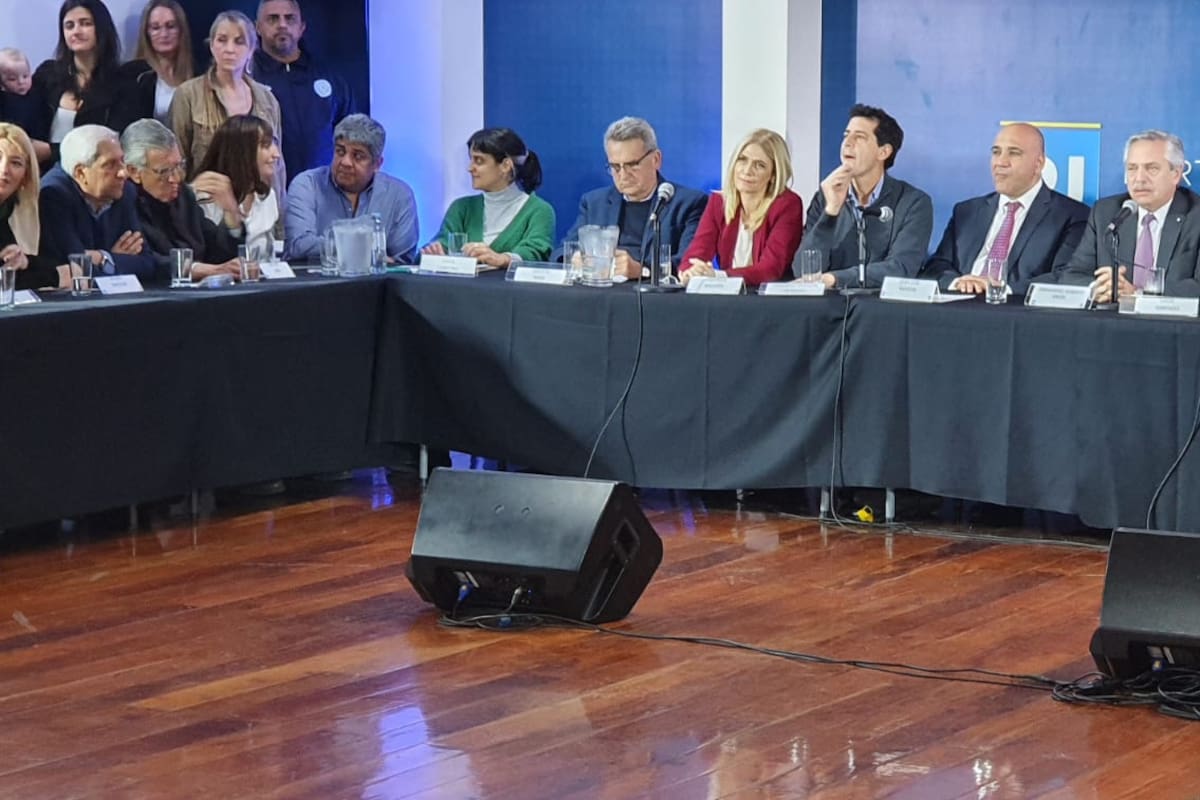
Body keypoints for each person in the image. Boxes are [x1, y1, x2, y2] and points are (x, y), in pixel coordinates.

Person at [922, 123, 1089, 297]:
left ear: (1038, 164)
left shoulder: (1072, 216)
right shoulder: (966, 211)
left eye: (1014, 153)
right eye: (996, 152)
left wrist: (999, 289)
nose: (1000, 162)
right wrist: (959, 282)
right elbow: (936, 266)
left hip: (1018, 314)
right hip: (958, 306)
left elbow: (1066, 276)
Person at [795, 104, 932, 289]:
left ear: (883, 152)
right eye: (846, 135)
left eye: (859, 137)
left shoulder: (913, 203)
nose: (847, 143)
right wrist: (831, 212)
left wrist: (834, 279)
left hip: (884, 312)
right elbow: (803, 270)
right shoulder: (825, 197)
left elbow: (901, 268)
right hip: (827, 310)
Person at [555, 116, 706, 279]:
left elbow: (690, 264)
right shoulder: (594, 203)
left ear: (656, 159)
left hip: (656, 300)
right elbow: (560, 254)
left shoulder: (688, 203)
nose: (623, 175)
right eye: (615, 167)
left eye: (632, 165)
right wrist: (574, 259)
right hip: (601, 295)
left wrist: (642, 270)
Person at [1059, 130, 1200, 301]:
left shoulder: (1195, 216)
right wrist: (1100, 287)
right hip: (1112, 324)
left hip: (1174, 325)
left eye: (1152, 168)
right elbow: (1072, 275)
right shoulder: (1107, 213)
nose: (1139, 178)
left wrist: (1138, 293)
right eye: (1132, 168)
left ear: (1176, 174)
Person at [169, 11, 284, 197]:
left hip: (259, 208)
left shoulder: (267, 100)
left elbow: (277, 167)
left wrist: (279, 219)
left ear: (251, 49)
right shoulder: (188, 94)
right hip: (207, 208)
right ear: (212, 45)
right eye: (222, 40)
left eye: (239, 41)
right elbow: (176, 160)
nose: (229, 49)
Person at [679, 128, 804, 287]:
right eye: (742, 159)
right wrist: (690, 272)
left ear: (774, 175)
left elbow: (771, 269)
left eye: (759, 165)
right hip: (730, 297)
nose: (747, 170)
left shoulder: (787, 205)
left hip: (769, 300)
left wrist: (719, 276)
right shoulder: (719, 202)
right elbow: (697, 252)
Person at [285, 113, 417, 263]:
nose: (346, 162)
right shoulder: (307, 185)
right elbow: (299, 246)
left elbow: (401, 262)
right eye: (340, 151)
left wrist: (333, 247)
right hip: (316, 283)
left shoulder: (399, 195)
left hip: (376, 285)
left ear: (377, 164)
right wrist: (365, 250)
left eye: (358, 156)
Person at [122, 118, 240, 281]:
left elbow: (217, 252)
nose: (176, 178)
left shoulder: (183, 194)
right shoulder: (122, 202)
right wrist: (197, 269)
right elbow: (145, 261)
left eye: (179, 166)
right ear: (134, 171)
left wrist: (231, 214)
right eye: (165, 172)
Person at [421, 128, 554, 266]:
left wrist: (503, 259)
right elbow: (442, 243)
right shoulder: (461, 207)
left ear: (505, 165)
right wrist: (434, 253)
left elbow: (535, 251)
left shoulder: (539, 210)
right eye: (471, 159)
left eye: (478, 161)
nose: (470, 168)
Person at [38, 123, 156, 279]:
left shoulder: (124, 190)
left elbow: (147, 264)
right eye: (110, 164)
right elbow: (77, 270)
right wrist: (114, 261)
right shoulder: (53, 195)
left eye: (122, 161)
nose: (123, 173)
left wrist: (103, 258)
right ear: (80, 173)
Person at [253, 0, 353, 183]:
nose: (282, 25)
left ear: (301, 27)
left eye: (290, 19)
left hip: (324, 194)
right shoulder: (247, 78)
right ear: (258, 27)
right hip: (266, 193)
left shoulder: (330, 77)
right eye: (273, 19)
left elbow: (351, 136)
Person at [30, 0, 140, 164]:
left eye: (85, 23)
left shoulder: (124, 80)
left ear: (101, 28)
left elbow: (115, 142)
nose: (76, 31)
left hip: (99, 174)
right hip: (44, 173)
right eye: (69, 26)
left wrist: (49, 151)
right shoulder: (47, 74)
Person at [192, 114, 281, 261]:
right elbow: (212, 256)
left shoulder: (267, 196)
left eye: (273, 144)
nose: (276, 154)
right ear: (242, 152)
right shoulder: (204, 198)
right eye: (265, 146)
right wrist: (231, 212)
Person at [0, 123, 70, 290]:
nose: (4, 170)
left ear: (25, 177)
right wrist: (55, 275)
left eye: (15, 163)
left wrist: (27, 262)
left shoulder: (18, 211)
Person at [128, 0, 195, 125]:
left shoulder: (197, 74)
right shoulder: (135, 75)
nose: (164, 34)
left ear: (181, 30)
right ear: (146, 32)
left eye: (170, 26)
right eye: (155, 28)